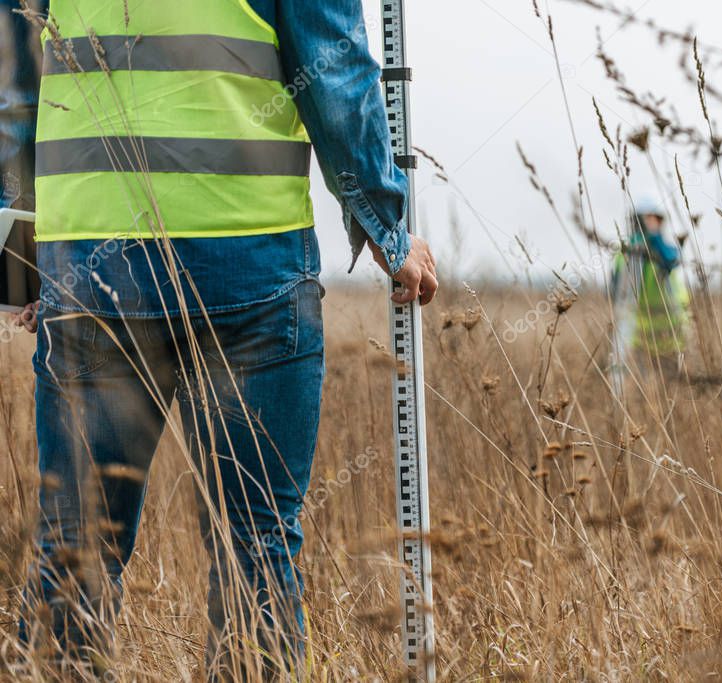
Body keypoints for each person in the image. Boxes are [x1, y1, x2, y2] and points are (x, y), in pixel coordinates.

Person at [1, 0, 438, 677]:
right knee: (256, 552)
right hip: (248, 261)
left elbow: (13, 71)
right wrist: (385, 224)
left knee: (75, 548)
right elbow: (333, 68)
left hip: (89, 263)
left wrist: (18, 248)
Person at [609, 197, 690, 382]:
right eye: (647, 220)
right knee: (646, 388)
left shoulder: (663, 250)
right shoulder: (626, 253)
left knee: (673, 385)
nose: (652, 224)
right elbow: (616, 293)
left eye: (656, 220)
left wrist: (654, 240)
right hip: (641, 337)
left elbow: (672, 260)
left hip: (672, 334)